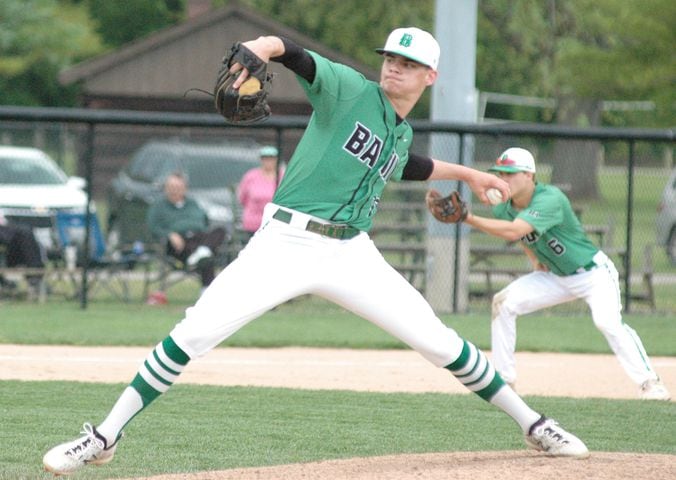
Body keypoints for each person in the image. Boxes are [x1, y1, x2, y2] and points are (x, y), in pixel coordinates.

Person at [42, 28, 590, 476]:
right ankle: (105, 437)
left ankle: (534, 425)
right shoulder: (350, 89)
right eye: (390, 58)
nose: (392, 67)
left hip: (351, 253)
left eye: (406, 62)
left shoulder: (398, 131)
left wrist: (469, 173)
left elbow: (406, 164)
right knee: (192, 333)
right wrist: (261, 49)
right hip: (284, 242)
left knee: (439, 341)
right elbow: (292, 53)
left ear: (429, 77)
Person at [462, 147, 670, 401]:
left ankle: (650, 383)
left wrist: (468, 217)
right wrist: (534, 258)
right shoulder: (503, 207)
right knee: (503, 303)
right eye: (500, 174)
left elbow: (514, 231)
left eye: (510, 173)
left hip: (593, 274)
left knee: (607, 322)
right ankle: (504, 383)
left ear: (529, 175)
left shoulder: (550, 198)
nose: (503, 179)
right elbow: (523, 237)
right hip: (556, 277)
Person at [146, 172, 226, 293]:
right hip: (179, 244)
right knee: (206, 256)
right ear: (166, 188)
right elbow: (153, 227)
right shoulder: (159, 207)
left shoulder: (192, 204)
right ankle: (206, 290)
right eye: (171, 187)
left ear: (185, 189)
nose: (174, 191)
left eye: (178, 188)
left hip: (199, 237)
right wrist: (169, 234)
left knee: (220, 231)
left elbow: (205, 221)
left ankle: (201, 252)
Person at [237, 145, 282, 239]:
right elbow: (242, 198)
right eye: (265, 158)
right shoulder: (251, 176)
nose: (268, 161)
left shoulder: (283, 176)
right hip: (253, 223)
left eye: (271, 158)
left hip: (277, 222)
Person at [0, 214, 44, 293]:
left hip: (15, 254)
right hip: (11, 255)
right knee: (24, 232)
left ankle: (34, 275)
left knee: (24, 232)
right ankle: (34, 275)